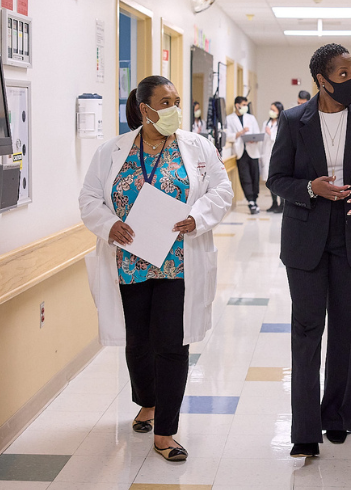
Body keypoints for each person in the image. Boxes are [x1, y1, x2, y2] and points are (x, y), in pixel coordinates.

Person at [79, 75, 233, 462]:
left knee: (172, 344)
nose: (174, 108)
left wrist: (197, 217)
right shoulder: (112, 151)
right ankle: (146, 401)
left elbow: (222, 191)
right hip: (128, 261)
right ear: (144, 108)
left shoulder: (197, 147)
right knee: (138, 342)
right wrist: (108, 224)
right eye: (165, 102)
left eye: (177, 100)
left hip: (178, 262)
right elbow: (89, 198)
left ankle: (165, 431)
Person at [268, 44, 351, 459]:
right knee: (306, 332)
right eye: (343, 75)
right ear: (321, 80)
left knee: (347, 331)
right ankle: (304, 429)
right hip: (306, 239)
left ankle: (337, 418)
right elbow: (276, 179)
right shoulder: (293, 121)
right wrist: (309, 188)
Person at [225, 96, 262, 214]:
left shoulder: (251, 118)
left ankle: (254, 199)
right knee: (245, 177)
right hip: (241, 152)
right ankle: (250, 201)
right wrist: (241, 133)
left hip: (252, 150)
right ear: (237, 105)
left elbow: (257, 132)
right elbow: (228, 135)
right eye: (244, 105)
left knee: (255, 176)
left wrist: (253, 139)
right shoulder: (229, 119)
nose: (245, 107)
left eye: (246, 105)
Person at [261, 101, 284, 213]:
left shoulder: (282, 123)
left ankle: (282, 204)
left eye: (274, 110)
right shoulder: (266, 123)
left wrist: (270, 134)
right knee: (269, 180)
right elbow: (263, 142)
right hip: (267, 155)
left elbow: (280, 140)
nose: (271, 112)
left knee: (279, 180)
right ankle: (274, 203)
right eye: (271, 109)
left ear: (279, 111)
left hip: (278, 156)